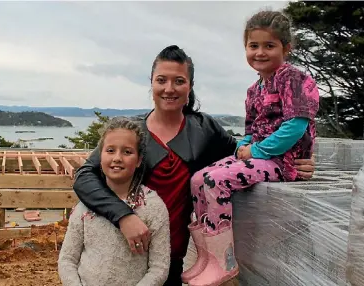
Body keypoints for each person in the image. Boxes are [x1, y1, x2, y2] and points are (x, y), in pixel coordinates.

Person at [72, 44, 316, 286]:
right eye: (161, 80)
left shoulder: (204, 130)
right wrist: (124, 216)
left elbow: (244, 158)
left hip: (170, 263)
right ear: (151, 83)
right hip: (124, 257)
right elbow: (84, 177)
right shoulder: (131, 133)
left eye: (179, 81)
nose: (169, 89)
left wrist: (294, 162)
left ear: (190, 86)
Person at [184, 10, 320, 286]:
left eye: (269, 46)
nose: (260, 52)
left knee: (214, 180)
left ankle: (224, 261)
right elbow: (251, 130)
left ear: (286, 48)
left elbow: (295, 126)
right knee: (198, 178)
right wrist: (243, 146)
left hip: (284, 162)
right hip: (262, 158)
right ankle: (207, 257)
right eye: (253, 45)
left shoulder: (294, 79)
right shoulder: (253, 89)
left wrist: (256, 151)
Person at [58, 117, 171, 286]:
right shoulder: (85, 206)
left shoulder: (153, 207)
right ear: (99, 156)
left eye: (127, 152)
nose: (117, 158)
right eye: (110, 150)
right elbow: (67, 260)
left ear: (139, 160)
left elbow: (159, 267)